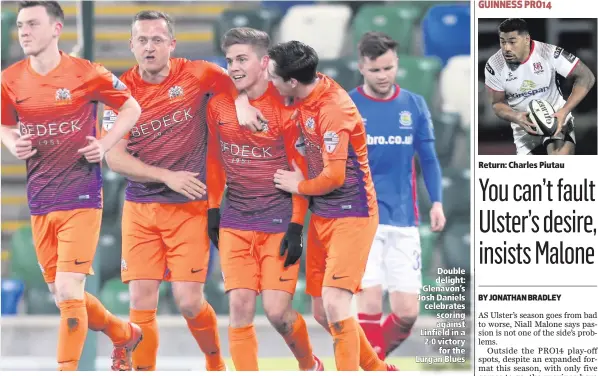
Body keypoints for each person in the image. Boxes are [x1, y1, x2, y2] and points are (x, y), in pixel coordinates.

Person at [102, 11, 262, 371]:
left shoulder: (198, 73)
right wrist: (166, 175)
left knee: (189, 301)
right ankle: (145, 369)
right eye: (142, 39)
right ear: (131, 45)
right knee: (141, 299)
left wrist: (240, 103)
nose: (149, 46)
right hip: (141, 208)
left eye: (157, 39)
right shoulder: (119, 93)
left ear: (172, 44)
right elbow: (114, 157)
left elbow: (235, 84)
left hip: (189, 206)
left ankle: (214, 359)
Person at [0, 1, 143, 371]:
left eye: (32, 23)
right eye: (20, 25)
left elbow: (131, 108)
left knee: (67, 290)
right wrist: (12, 142)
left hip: (81, 195)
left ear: (57, 29)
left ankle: (66, 369)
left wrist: (106, 143)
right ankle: (124, 333)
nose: (24, 31)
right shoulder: (10, 78)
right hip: (40, 199)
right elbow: (4, 124)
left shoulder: (85, 72)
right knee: (62, 295)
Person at [267, 40, 397, 372]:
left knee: (338, 304)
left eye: (273, 75)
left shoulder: (333, 109)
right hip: (321, 216)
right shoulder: (300, 96)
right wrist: (297, 224)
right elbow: (301, 166)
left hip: (352, 215)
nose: (269, 80)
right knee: (323, 312)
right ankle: (380, 371)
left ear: (292, 81)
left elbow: (334, 176)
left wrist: (298, 186)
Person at [206, 27, 323, 372]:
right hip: (236, 222)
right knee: (239, 307)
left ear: (265, 62)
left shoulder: (288, 108)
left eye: (242, 59)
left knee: (276, 313)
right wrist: (214, 208)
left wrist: (296, 227)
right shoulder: (219, 106)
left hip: (277, 223)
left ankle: (308, 364)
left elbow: (299, 173)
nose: (234, 67)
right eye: (230, 60)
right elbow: (214, 159)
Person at [349, 31, 446, 360]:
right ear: (361, 67)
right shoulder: (348, 106)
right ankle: (371, 367)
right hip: (362, 220)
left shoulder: (414, 105)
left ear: (397, 65)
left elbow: (429, 159)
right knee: (371, 302)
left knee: (406, 313)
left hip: (404, 219)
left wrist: (437, 202)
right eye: (375, 70)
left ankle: (370, 362)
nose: (383, 75)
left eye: (389, 68)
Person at [485, 18, 595, 155]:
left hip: (555, 118)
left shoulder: (548, 52)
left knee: (559, 160)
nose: (506, 48)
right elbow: (497, 104)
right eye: (503, 42)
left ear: (526, 39)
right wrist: (515, 116)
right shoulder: (494, 65)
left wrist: (565, 111)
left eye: (512, 42)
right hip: (525, 130)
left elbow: (587, 77)